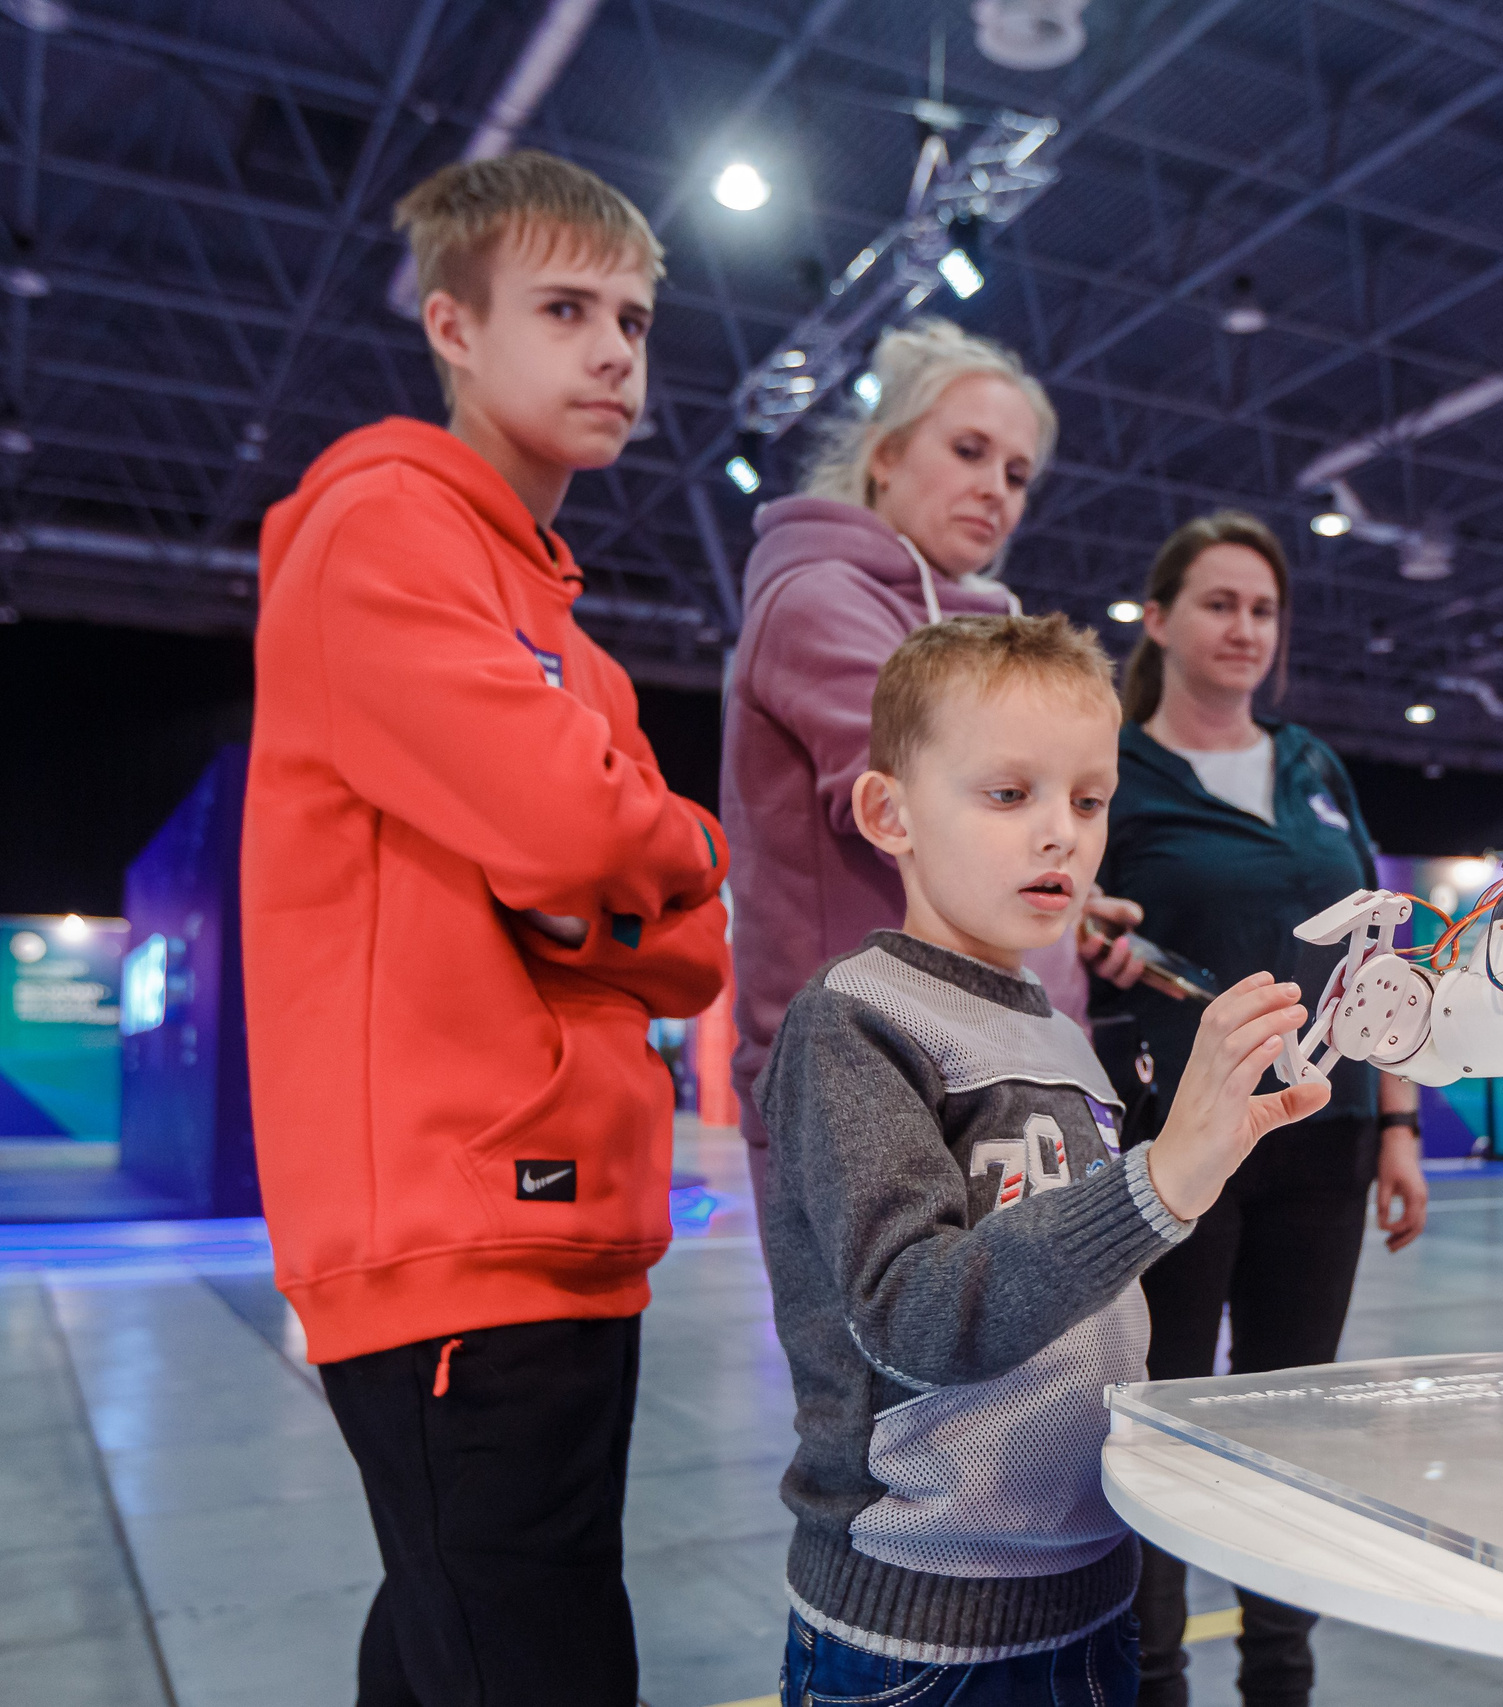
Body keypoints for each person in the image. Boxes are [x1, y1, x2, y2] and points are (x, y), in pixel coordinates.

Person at [240, 153, 730, 1704]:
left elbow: (692, 946)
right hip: (460, 1233)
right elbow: (592, 835)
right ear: (453, 326)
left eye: (636, 320)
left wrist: (614, 874)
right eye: (566, 308)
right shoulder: (384, 531)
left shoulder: (569, 645)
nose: (613, 353)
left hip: (572, 1226)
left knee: (455, 1637)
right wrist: (647, 850)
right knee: (535, 1655)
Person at [754, 613, 1331, 1706]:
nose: (1061, 833)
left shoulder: (1062, 1037)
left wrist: (1192, 1167)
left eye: (1088, 799)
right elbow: (922, 1319)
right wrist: (1158, 1181)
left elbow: (1088, 1305)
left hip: (1094, 1599)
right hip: (919, 1633)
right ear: (891, 814)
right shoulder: (855, 1022)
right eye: (1008, 795)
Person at [1093, 511, 1428, 1707]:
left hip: (1322, 1142)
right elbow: (1056, 923)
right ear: (1162, 619)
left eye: (1264, 609)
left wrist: (1397, 1125)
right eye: (1221, 603)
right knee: (1167, 1425)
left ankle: (1280, 1680)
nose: (1245, 628)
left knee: (1298, 1422)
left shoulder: (1311, 767)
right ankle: (1154, 1679)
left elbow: (1383, 958)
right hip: (1178, 1149)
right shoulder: (1116, 770)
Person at [723, 318, 1137, 1216]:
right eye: (969, 450)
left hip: (999, 1056)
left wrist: (1065, 897)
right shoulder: (818, 598)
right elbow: (927, 807)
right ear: (886, 452)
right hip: (879, 1074)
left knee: (1045, 1350)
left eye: (1016, 473)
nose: (993, 489)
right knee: (908, 1352)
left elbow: (972, 829)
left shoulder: (965, 622)